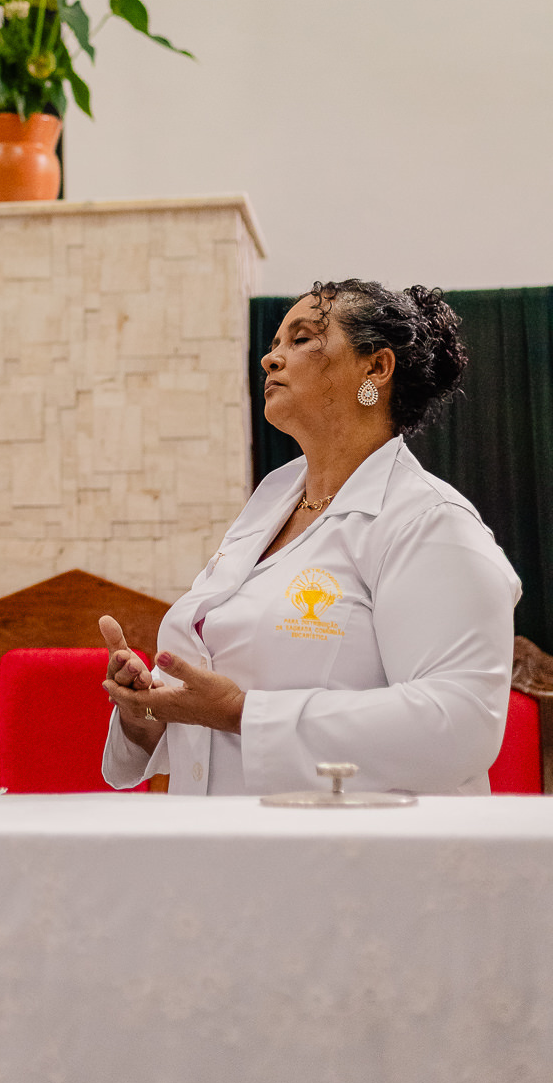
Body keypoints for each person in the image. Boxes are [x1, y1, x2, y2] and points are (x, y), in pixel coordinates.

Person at [100, 280, 520, 796]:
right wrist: (149, 713)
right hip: (219, 849)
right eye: (274, 344)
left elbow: (460, 725)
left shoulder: (430, 521)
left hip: (355, 861)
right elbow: (221, 694)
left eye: (300, 340)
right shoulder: (273, 500)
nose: (271, 360)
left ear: (376, 368)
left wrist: (241, 713)